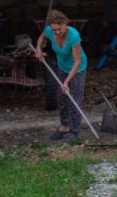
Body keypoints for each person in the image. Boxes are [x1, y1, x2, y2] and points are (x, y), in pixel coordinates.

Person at [34, 10, 87, 140]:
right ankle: (64, 126)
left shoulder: (73, 36)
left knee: (74, 99)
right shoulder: (49, 30)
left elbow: (77, 61)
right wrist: (38, 48)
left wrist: (66, 81)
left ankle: (74, 131)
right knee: (62, 98)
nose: (56, 32)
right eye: (54, 30)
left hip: (77, 68)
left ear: (65, 24)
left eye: (59, 29)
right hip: (62, 66)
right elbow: (42, 37)